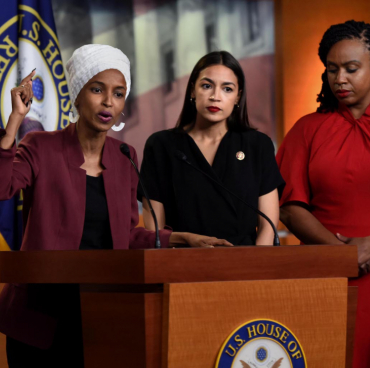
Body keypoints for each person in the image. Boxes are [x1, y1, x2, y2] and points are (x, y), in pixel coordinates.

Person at [0, 44, 215, 367]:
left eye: (119, 94)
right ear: (77, 95)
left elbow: (126, 237)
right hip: (40, 317)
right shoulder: (41, 146)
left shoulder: (125, 156)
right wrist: (14, 122)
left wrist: (181, 238)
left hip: (103, 313)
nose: (108, 102)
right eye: (97, 89)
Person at [277, 20, 370, 367]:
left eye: (351, 68)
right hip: (328, 276)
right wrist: (341, 255)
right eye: (331, 69)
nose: (339, 79)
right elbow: (289, 206)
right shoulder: (308, 129)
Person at [139, 51, 283, 246]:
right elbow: (155, 228)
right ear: (192, 90)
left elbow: (268, 224)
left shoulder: (258, 145)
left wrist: (255, 265)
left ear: (238, 96)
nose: (216, 97)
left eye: (227, 89)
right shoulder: (162, 145)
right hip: (181, 263)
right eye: (207, 86)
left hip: (246, 264)